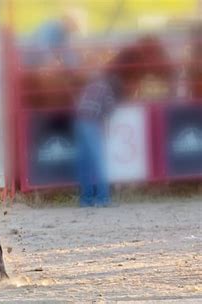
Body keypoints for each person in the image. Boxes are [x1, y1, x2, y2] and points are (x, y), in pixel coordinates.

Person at [74, 37, 173, 207]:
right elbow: (110, 109)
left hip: (80, 120)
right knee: (99, 161)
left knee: (86, 162)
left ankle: (86, 199)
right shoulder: (110, 86)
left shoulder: (94, 83)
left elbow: (83, 102)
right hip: (91, 122)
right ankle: (103, 199)